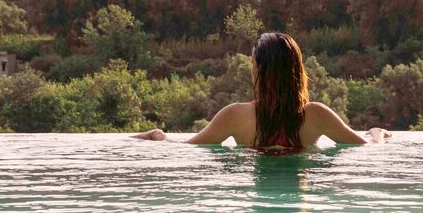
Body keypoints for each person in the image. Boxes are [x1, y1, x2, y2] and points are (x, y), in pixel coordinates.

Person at [133, 32, 389, 151]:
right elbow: (366, 147)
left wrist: (158, 135)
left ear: (258, 70)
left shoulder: (235, 116)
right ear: (297, 70)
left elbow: (184, 149)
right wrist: (377, 133)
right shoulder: (316, 115)